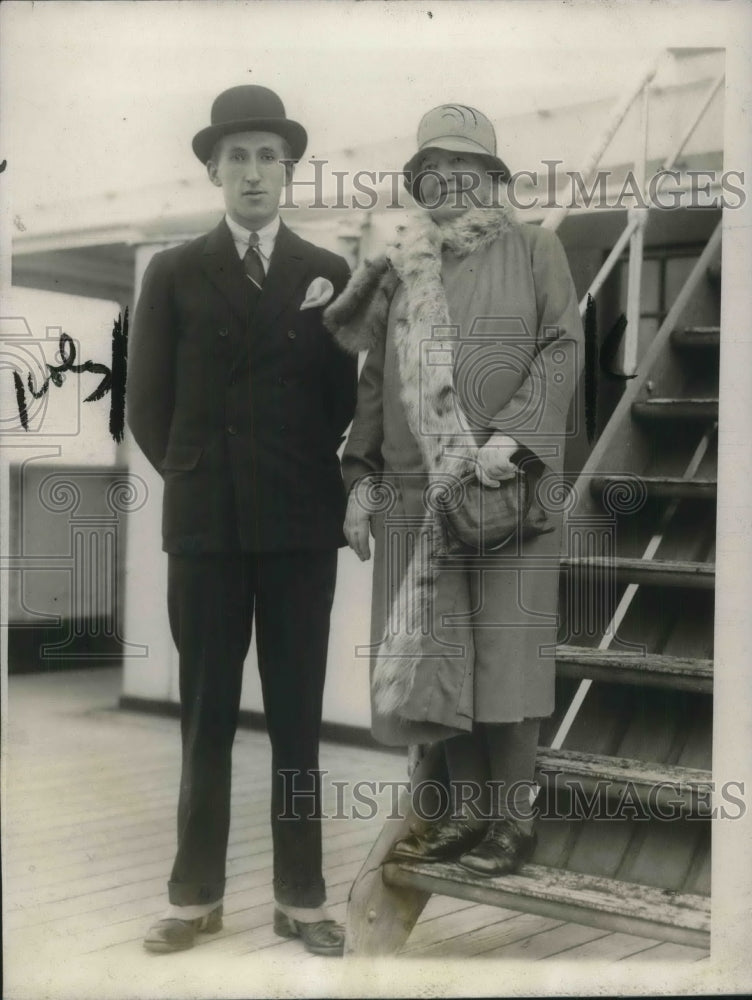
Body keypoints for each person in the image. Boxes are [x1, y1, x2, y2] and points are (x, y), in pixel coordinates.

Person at [127, 85, 357, 956]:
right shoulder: (175, 271)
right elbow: (147, 406)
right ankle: (194, 898)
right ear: (213, 170)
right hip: (209, 535)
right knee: (206, 717)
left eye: (269, 156)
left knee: (297, 718)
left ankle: (302, 899)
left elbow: (341, 401)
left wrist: (297, 482)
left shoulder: (325, 272)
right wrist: (199, 480)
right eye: (238, 157)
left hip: (301, 532)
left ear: (288, 170)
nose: (253, 172)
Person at [324, 104, 583, 875]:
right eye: (433, 170)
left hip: (506, 489)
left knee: (507, 658)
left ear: (494, 180)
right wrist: (360, 478)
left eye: (466, 168)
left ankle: (514, 821)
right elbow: (374, 384)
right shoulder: (402, 272)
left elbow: (563, 345)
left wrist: (516, 436)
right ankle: (465, 815)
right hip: (414, 499)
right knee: (437, 663)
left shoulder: (537, 249)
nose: (449, 181)